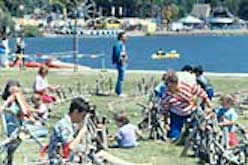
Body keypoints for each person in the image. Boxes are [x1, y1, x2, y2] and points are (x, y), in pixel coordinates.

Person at [0, 80, 47, 165]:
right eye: (15, 88)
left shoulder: (12, 103)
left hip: (16, 129)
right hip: (17, 130)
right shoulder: (13, 101)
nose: (18, 90)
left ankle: (9, 161)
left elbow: (24, 115)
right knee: (44, 131)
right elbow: (24, 114)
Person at [162, 71, 212, 141]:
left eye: (169, 84)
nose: (167, 86)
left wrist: (209, 105)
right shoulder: (166, 94)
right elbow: (165, 108)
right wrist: (166, 121)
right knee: (174, 133)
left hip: (191, 111)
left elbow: (202, 93)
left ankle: (196, 139)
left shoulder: (187, 86)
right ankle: (176, 139)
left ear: (175, 83)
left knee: (196, 129)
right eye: (166, 84)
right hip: (176, 113)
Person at [48, 97, 88, 164]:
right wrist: (81, 133)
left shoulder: (70, 124)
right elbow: (70, 147)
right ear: (75, 112)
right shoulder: (64, 125)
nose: (82, 119)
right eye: (82, 115)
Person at [112, 32, 128, 97]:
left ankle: (117, 90)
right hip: (121, 63)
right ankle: (119, 92)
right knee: (121, 77)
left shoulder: (122, 44)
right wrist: (120, 60)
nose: (126, 38)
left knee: (121, 77)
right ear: (121, 37)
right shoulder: (118, 44)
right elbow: (117, 53)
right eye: (125, 36)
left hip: (123, 62)